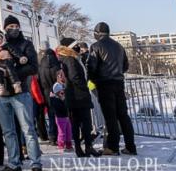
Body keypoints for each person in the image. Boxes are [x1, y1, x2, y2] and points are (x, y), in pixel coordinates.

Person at [0, 17, 43, 171]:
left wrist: (13, 72)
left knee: (28, 130)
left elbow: (33, 67)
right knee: (8, 132)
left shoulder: (26, 45)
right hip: (1, 95)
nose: (13, 29)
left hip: (20, 93)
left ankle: (36, 165)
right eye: (10, 26)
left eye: (16, 26)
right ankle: (14, 164)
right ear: (5, 28)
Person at [87, 22, 136, 156]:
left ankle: (113, 147)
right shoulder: (119, 46)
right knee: (123, 116)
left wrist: (92, 82)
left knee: (111, 117)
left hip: (104, 84)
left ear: (97, 33)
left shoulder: (96, 46)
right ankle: (130, 146)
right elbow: (125, 66)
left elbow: (92, 68)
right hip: (119, 83)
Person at [56, 38, 100, 157]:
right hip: (78, 95)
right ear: (69, 48)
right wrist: (84, 87)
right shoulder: (70, 59)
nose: (78, 48)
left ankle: (80, 148)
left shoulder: (65, 58)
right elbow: (75, 77)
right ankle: (87, 147)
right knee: (85, 123)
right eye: (75, 46)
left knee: (76, 123)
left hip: (73, 96)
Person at [50, 82, 72, 151]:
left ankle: (68, 145)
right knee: (62, 132)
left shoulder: (62, 98)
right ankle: (61, 145)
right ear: (57, 92)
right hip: (60, 118)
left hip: (66, 117)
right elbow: (59, 108)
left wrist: (64, 100)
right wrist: (62, 101)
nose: (62, 93)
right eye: (61, 92)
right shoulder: (55, 100)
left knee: (69, 131)